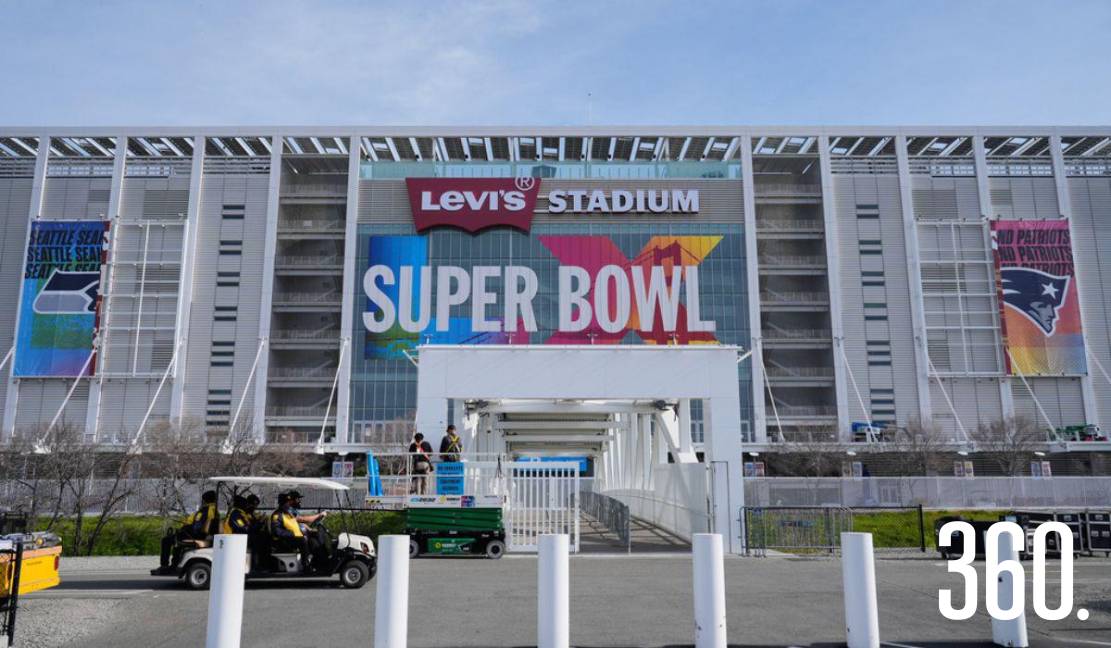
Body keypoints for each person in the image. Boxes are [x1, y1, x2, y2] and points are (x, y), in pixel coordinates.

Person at [155, 490, 219, 574]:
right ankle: (174, 565)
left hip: (197, 535)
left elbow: (197, 526)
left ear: (204, 500)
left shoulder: (205, 511)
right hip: (201, 535)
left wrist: (185, 528)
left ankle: (165, 565)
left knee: (166, 540)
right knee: (176, 540)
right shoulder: (213, 510)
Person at [269, 493, 311, 568]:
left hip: (291, 539)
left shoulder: (288, 514)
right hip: (282, 542)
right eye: (287, 503)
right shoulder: (277, 515)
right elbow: (276, 532)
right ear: (282, 503)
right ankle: (305, 565)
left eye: (289, 503)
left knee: (312, 540)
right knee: (302, 541)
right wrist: (292, 534)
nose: (289, 505)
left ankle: (318, 563)